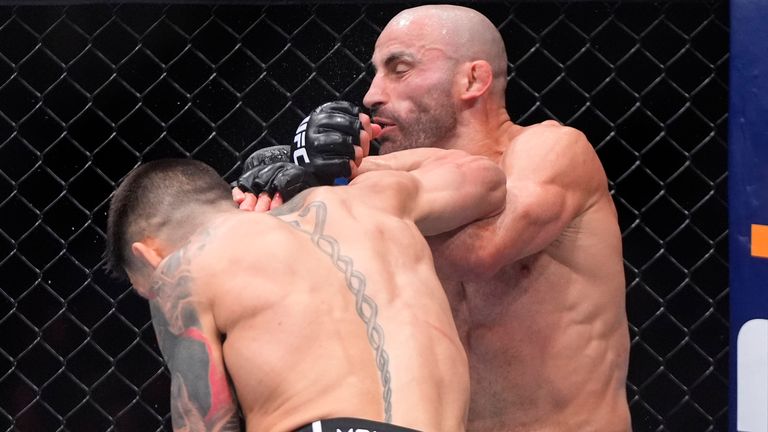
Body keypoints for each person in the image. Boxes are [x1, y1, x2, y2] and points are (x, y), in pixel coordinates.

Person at [236, 4, 631, 431]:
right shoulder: (384, 187)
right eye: (375, 72)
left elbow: (481, 251)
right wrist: (292, 193)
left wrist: (325, 193)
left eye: (399, 69)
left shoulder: (551, 151)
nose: (371, 95)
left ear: (472, 80)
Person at [105, 133, 507, 430]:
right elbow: (485, 177)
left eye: (147, 286)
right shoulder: (370, 202)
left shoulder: (183, 269)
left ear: (149, 254)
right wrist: (340, 169)